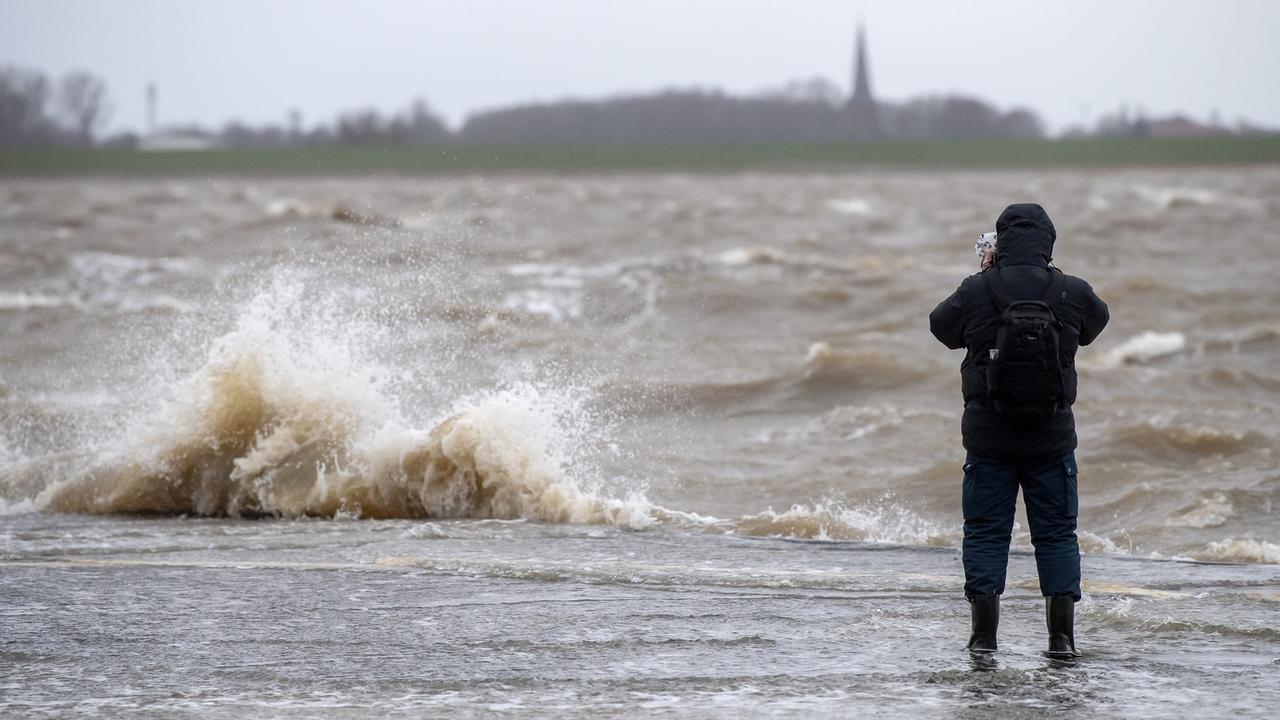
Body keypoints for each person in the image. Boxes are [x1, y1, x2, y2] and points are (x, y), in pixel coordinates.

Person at [928, 203, 1109, 657]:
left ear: (999, 243)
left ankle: (984, 638)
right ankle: (1062, 640)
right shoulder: (1071, 290)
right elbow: (1096, 324)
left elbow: (941, 328)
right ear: (1048, 242)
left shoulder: (977, 289)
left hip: (988, 438)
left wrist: (985, 275)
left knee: (987, 533)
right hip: (1051, 438)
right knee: (1057, 535)